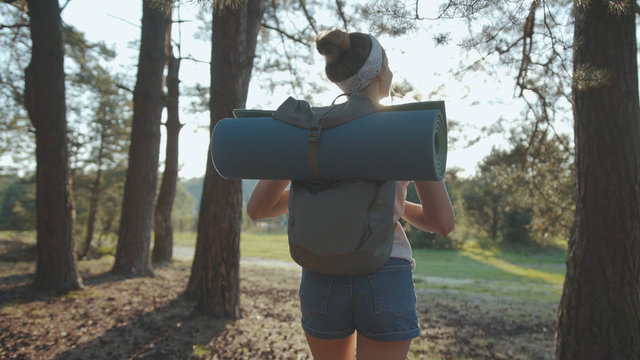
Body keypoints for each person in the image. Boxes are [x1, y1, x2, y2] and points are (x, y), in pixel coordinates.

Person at [247, 29, 455, 360]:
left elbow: (259, 208)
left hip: (321, 270)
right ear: (382, 73)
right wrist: (395, 205)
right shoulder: (407, 128)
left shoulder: (309, 126)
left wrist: (321, 188)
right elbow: (441, 222)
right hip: (385, 269)